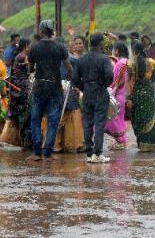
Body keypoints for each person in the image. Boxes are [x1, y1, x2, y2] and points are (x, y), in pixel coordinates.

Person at [28, 20, 72, 162]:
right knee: (53, 121)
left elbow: (30, 69)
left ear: (41, 31)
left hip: (39, 86)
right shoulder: (60, 47)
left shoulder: (34, 47)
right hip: (55, 87)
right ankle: (47, 154)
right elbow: (69, 67)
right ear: (52, 31)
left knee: (35, 119)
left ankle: (36, 153)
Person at [73, 33, 113, 163]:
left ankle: (89, 154)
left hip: (87, 93)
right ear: (100, 43)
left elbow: (74, 79)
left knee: (88, 123)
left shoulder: (81, 59)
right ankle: (98, 153)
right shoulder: (104, 59)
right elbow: (109, 76)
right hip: (100, 92)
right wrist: (103, 85)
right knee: (100, 123)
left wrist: (84, 87)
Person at [127, 42, 155, 152]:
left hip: (137, 92)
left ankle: (141, 143)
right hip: (148, 91)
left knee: (138, 117)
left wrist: (128, 97)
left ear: (134, 51)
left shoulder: (130, 64)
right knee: (149, 116)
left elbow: (130, 82)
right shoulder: (151, 61)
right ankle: (150, 144)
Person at [7, 38, 32, 149]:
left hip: (17, 88)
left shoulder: (18, 56)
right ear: (26, 46)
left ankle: (21, 140)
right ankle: (24, 142)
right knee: (25, 114)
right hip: (21, 89)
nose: (31, 48)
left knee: (20, 114)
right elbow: (30, 68)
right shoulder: (22, 57)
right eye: (30, 46)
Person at [105, 42, 129, 150]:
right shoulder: (126, 61)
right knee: (118, 120)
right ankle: (120, 141)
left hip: (118, 94)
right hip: (123, 94)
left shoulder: (120, 63)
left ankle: (121, 141)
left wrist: (111, 89)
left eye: (114, 49)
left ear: (117, 51)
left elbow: (118, 79)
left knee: (113, 120)